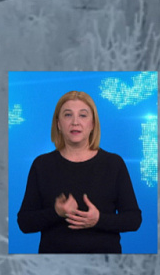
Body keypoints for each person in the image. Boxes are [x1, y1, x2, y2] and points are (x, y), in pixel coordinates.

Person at [16, 90, 142, 253]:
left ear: (93, 124)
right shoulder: (42, 165)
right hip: (54, 267)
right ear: (58, 124)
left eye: (83, 115)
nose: (75, 122)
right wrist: (56, 212)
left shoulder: (113, 164)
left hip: (105, 265)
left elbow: (134, 219)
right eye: (68, 115)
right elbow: (24, 223)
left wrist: (99, 220)